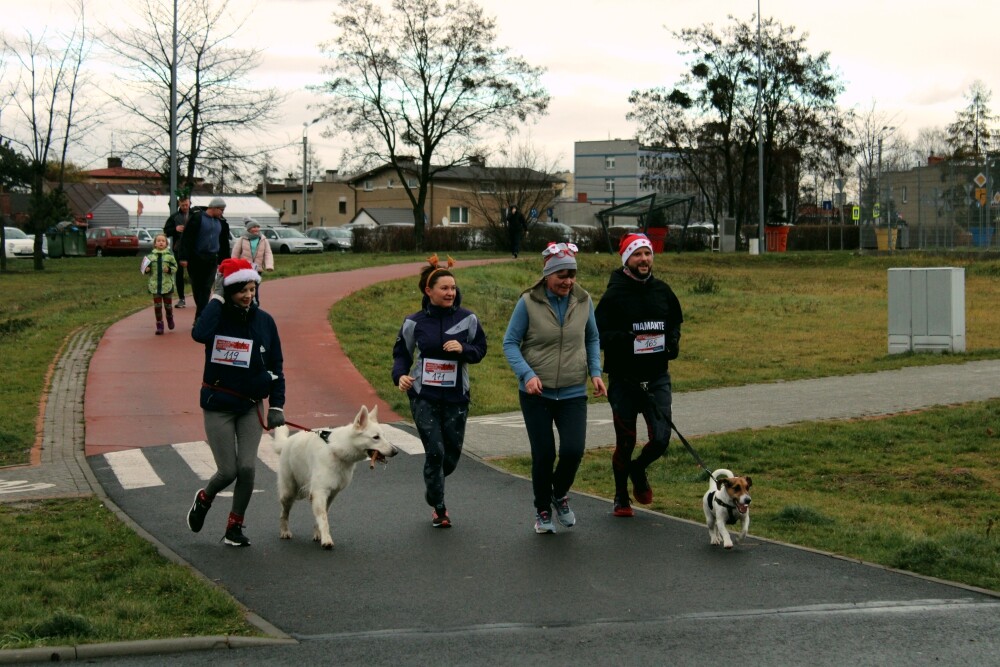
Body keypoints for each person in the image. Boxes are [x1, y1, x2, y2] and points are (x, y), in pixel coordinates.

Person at [503, 242, 606, 534]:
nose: (568, 281)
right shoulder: (528, 303)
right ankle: (543, 509)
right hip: (536, 393)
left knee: (573, 450)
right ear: (547, 274)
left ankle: (558, 494)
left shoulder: (584, 300)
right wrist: (527, 374)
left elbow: (592, 338)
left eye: (572, 274)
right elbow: (510, 343)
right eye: (561, 274)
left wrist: (595, 372)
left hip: (573, 390)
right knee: (545, 454)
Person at [187, 258, 285, 547]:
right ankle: (204, 498)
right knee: (227, 471)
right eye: (241, 290)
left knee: (247, 468)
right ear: (228, 290)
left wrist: (277, 405)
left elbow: (277, 363)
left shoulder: (265, 321)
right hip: (219, 404)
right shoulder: (215, 318)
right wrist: (215, 298)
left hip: (251, 405)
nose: (248, 295)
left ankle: (235, 526)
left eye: (252, 289)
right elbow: (199, 334)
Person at [392, 255, 487, 528]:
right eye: (444, 288)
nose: (450, 293)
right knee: (435, 451)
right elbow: (402, 354)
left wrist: (464, 350)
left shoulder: (467, 319)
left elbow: (480, 350)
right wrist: (400, 377)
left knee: (451, 456)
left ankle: (434, 483)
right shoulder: (414, 322)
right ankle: (439, 506)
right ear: (428, 291)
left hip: (457, 397)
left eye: (453, 288)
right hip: (424, 396)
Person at [594, 233, 684, 518]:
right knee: (626, 441)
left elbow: (674, 323)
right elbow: (598, 335)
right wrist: (628, 338)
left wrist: (671, 343)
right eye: (637, 255)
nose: (644, 259)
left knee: (661, 438)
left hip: (657, 376)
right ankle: (621, 495)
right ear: (626, 260)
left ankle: (638, 469)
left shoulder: (663, 290)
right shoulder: (613, 294)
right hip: (624, 379)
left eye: (647, 254)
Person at [178, 197, 231, 322]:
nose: (222, 213)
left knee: (207, 287)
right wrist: (183, 257)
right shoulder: (197, 218)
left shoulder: (221, 222)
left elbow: (224, 243)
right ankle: (201, 312)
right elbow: (187, 238)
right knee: (197, 287)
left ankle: (200, 317)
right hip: (196, 258)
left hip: (212, 258)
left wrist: (225, 260)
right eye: (221, 210)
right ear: (214, 208)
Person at [141, 233, 179, 335]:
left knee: (168, 306)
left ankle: (169, 318)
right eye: (158, 241)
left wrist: (169, 269)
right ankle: (159, 325)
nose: (161, 242)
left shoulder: (169, 256)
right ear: (155, 244)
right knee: (157, 306)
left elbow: (175, 267)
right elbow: (144, 269)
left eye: (163, 241)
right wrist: (147, 270)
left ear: (166, 244)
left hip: (167, 285)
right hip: (155, 286)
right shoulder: (150, 257)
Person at [231, 217, 274, 304]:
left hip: (257, 269)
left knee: (255, 286)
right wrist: (234, 265)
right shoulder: (243, 239)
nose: (256, 229)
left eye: (257, 227)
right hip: (245, 268)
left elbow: (268, 253)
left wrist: (269, 265)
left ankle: (255, 302)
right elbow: (235, 253)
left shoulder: (263, 239)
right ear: (249, 229)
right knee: (247, 286)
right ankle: (247, 302)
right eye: (254, 227)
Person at [163, 192, 191, 308]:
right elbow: (166, 230)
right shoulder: (174, 217)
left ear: (189, 203)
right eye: (183, 205)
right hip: (178, 248)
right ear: (179, 204)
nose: (185, 207)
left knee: (194, 274)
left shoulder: (194, 215)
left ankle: (198, 297)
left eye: (186, 205)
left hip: (192, 249)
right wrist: (175, 229)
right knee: (179, 273)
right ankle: (181, 298)